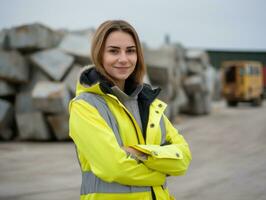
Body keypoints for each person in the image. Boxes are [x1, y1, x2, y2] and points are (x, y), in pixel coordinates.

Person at [69, 20, 192, 200]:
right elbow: (114, 167)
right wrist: (161, 172)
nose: (124, 59)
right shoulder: (85, 106)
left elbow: (183, 158)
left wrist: (138, 152)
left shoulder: (148, 103)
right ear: (99, 54)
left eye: (130, 51)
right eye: (113, 51)